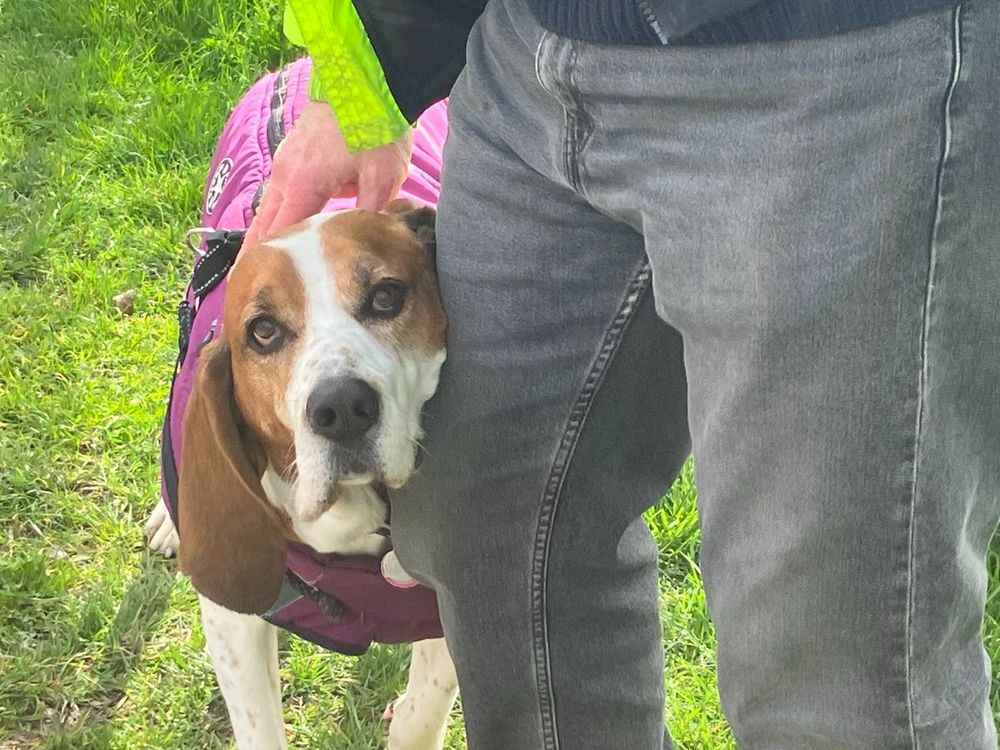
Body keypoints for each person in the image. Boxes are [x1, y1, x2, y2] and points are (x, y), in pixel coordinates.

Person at [247, 1, 1000, 747]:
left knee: (830, 659)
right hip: (528, 58)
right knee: (491, 542)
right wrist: (365, 68)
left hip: (842, 51)